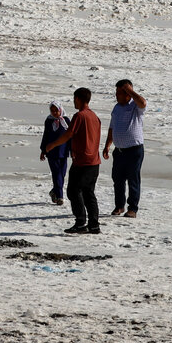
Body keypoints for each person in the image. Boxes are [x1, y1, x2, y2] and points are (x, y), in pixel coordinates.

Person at [43, 87, 102, 234]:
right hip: (94, 161)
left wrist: (52, 144)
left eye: (75, 99)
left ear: (79, 99)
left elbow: (69, 133)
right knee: (88, 193)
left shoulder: (79, 116)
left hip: (83, 161)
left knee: (73, 191)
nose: (74, 102)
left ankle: (81, 222)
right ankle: (94, 224)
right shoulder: (94, 116)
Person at [103, 79, 147, 218]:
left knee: (133, 179)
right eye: (116, 93)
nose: (117, 95)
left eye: (120, 93)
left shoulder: (136, 106)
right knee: (118, 179)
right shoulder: (116, 108)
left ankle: (132, 208)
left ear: (128, 93)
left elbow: (143, 102)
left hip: (134, 150)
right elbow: (112, 127)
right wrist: (107, 145)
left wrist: (130, 90)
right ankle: (119, 206)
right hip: (119, 150)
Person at [38, 100, 71, 205]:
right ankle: (60, 197)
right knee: (56, 174)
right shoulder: (49, 121)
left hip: (63, 151)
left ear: (60, 110)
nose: (54, 113)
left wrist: (72, 150)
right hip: (51, 151)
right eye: (52, 111)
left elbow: (70, 136)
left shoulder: (66, 120)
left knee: (62, 173)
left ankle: (54, 191)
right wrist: (43, 150)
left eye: (56, 110)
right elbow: (46, 136)